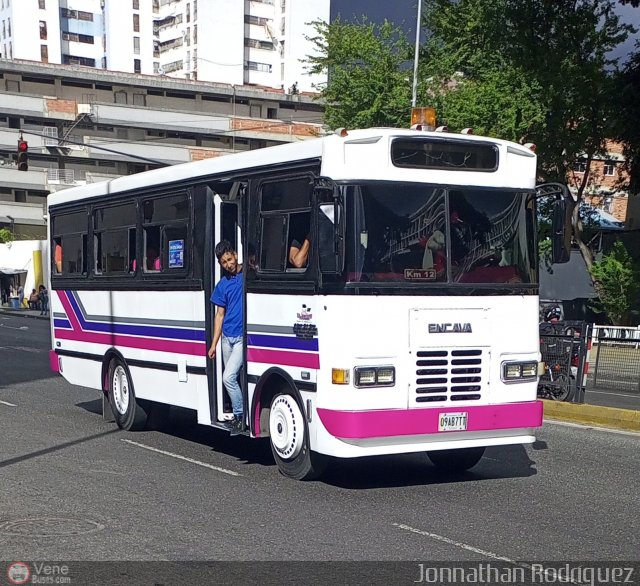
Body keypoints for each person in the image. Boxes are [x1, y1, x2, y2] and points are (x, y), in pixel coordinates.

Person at [208, 240, 244, 435]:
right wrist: (214, 344)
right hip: (227, 339)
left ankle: (239, 415)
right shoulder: (222, 285)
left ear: (236, 255)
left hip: (241, 338)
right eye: (223, 262)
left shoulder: (247, 275)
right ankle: (237, 413)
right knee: (232, 377)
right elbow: (219, 315)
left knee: (228, 377)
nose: (228, 264)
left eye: (229, 259)